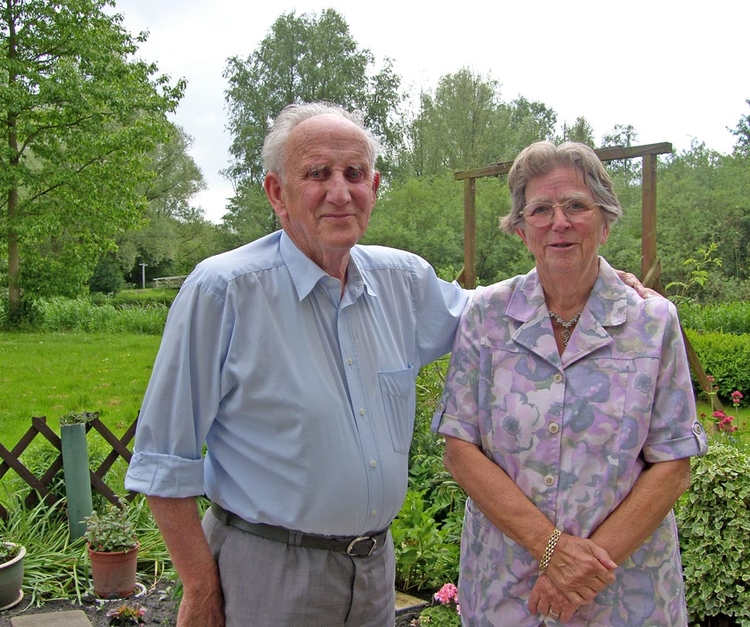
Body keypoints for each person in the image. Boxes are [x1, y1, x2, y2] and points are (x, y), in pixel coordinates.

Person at [124, 102, 470, 627]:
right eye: (317, 174)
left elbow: (498, 316)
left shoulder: (405, 283)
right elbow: (163, 459)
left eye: (354, 173)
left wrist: (597, 284)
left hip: (375, 573)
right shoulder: (224, 291)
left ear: (373, 186)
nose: (339, 191)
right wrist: (200, 590)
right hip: (269, 575)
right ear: (276, 193)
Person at [432, 141, 708, 626]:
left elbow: (674, 463)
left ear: (604, 221)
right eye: (540, 209)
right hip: (508, 590)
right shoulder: (487, 317)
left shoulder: (652, 321)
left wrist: (580, 568)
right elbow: (461, 450)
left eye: (577, 206)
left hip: (623, 591)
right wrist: (551, 550)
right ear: (521, 230)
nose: (559, 223)